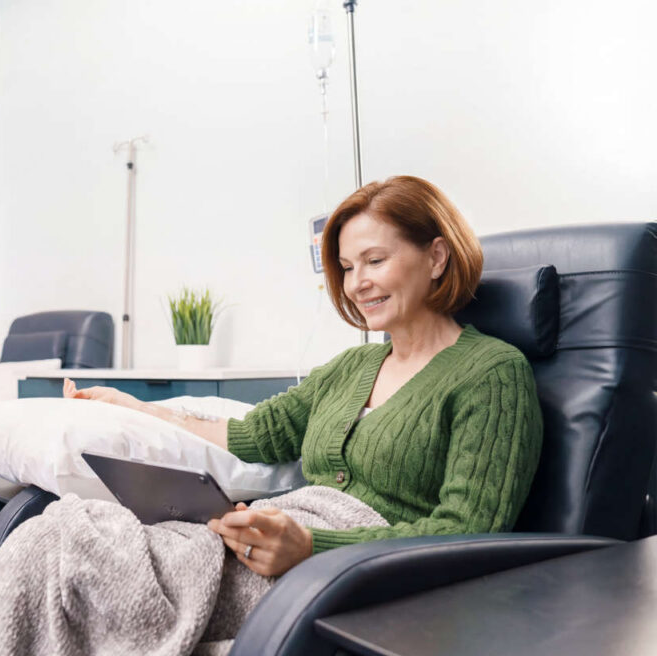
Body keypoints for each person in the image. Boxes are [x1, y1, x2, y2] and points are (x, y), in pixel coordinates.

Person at [64, 174, 543, 578]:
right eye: (347, 267)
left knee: (98, 569)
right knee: (64, 532)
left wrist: (312, 547)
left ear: (436, 257)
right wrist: (135, 409)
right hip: (275, 540)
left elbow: (468, 530)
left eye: (375, 261)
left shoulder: (492, 374)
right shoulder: (350, 368)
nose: (357, 284)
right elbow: (254, 434)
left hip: (344, 574)